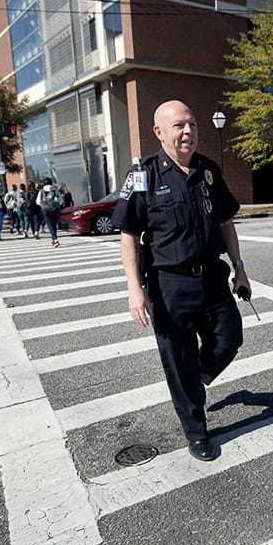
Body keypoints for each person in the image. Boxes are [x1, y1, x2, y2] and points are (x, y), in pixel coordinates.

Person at [111, 100, 250, 461]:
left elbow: (225, 222)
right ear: (159, 132)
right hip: (169, 284)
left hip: (213, 279)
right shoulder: (143, 175)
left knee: (230, 338)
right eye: (178, 126)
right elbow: (128, 234)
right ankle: (196, 430)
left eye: (192, 124)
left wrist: (239, 266)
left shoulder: (208, 170)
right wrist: (134, 289)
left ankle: (197, 380)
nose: (188, 131)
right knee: (178, 360)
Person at [38, 177, 63, 247]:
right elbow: (60, 201)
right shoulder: (55, 190)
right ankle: (53, 239)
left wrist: (43, 205)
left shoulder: (41, 191)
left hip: (45, 210)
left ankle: (55, 239)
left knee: (50, 224)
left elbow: (38, 202)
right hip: (55, 209)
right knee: (54, 225)